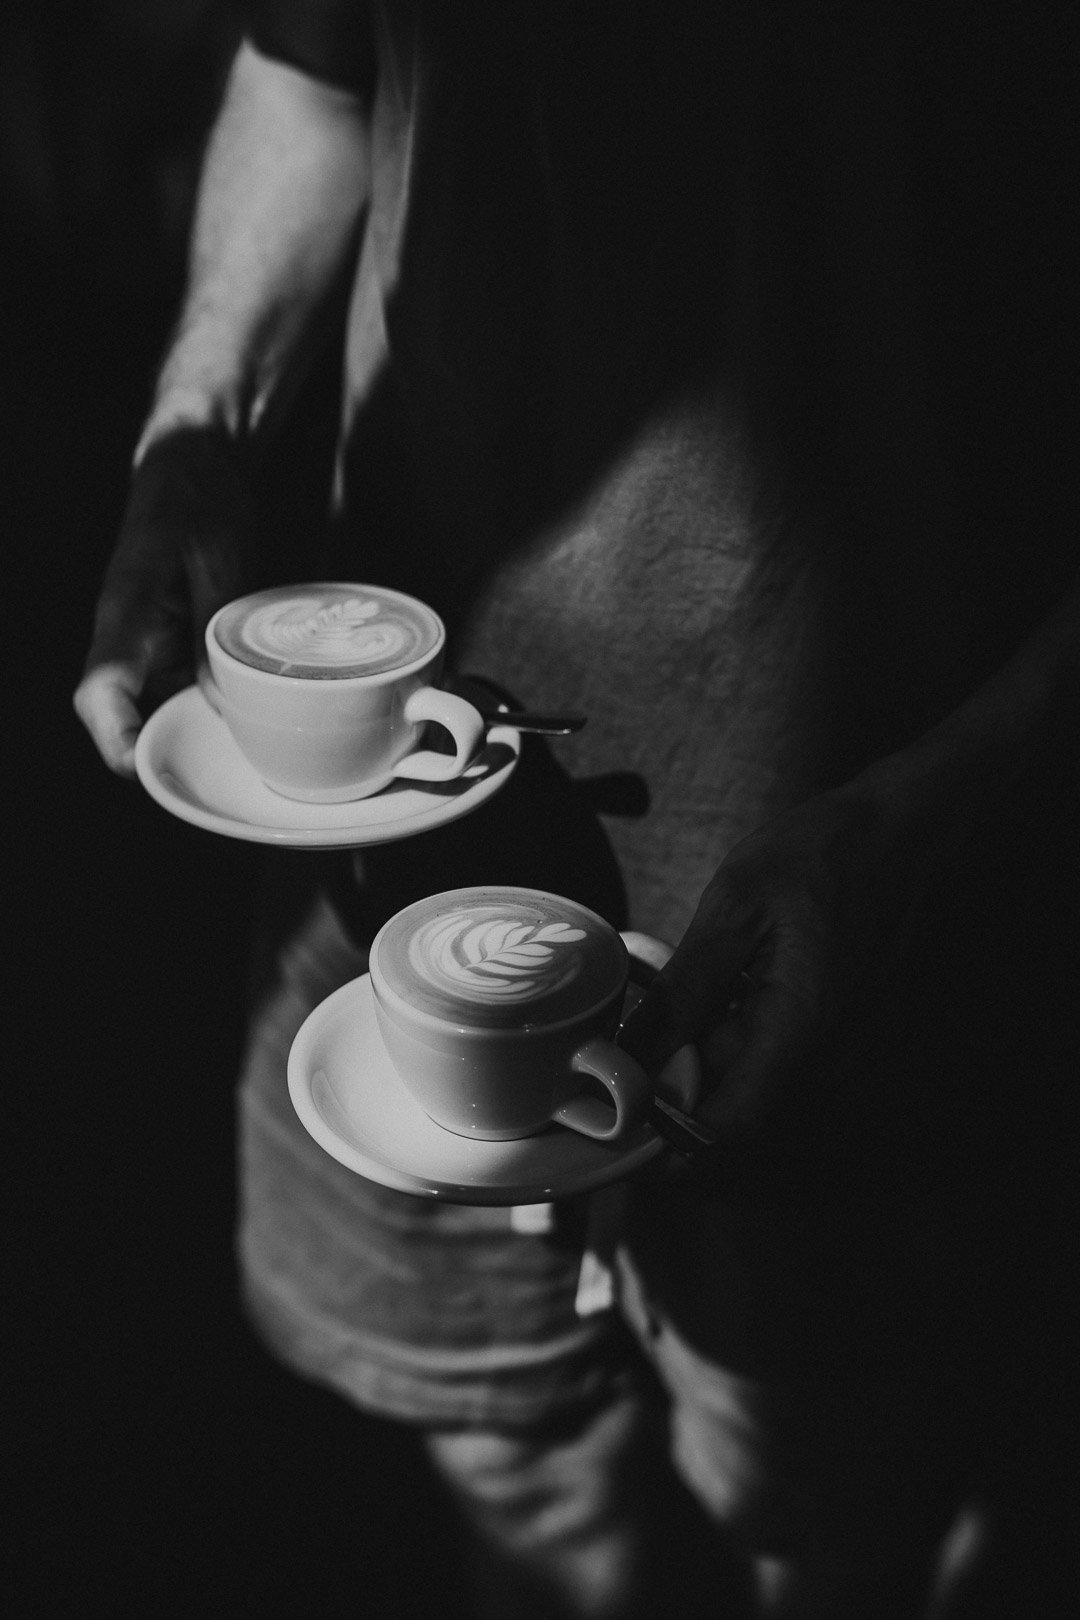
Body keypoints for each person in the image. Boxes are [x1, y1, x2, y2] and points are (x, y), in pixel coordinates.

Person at [74, 5, 1078, 1615]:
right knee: (518, 1471)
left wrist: (950, 799)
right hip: (381, 857)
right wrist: (199, 422)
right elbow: (313, 72)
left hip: (889, 937)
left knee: (831, 1535)